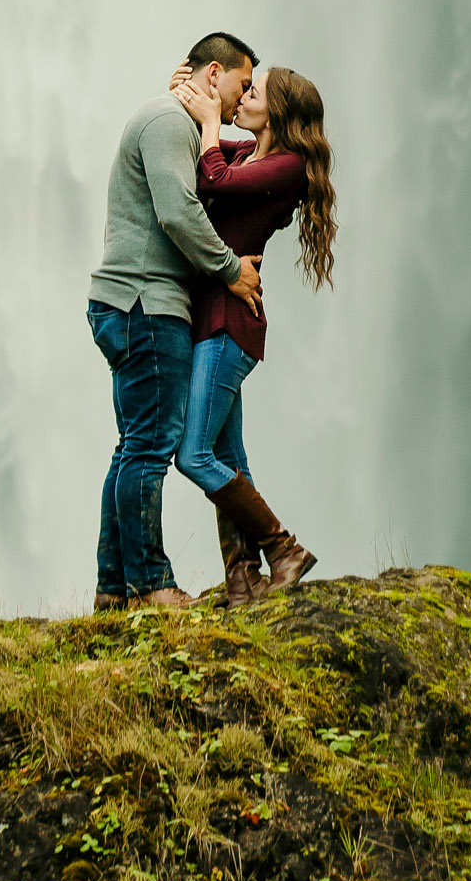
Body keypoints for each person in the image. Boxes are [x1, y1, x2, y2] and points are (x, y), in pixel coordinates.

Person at [87, 31, 264, 611]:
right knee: (151, 446)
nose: (242, 102)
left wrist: (211, 123)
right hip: (146, 303)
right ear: (214, 74)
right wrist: (229, 270)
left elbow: (239, 168)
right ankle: (151, 585)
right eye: (240, 85)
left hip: (129, 302)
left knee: (132, 446)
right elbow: (178, 210)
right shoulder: (167, 124)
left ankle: (113, 588)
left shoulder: (179, 125)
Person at [171, 57, 335, 605]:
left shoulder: (287, 167)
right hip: (210, 316)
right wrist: (193, 92)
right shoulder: (246, 150)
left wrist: (211, 125)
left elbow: (213, 177)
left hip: (229, 322)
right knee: (228, 456)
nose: (243, 97)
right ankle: (242, 578)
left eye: (254, 92)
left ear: (278, 110)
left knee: (193, 455)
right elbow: (206, 167)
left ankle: (283, 549)